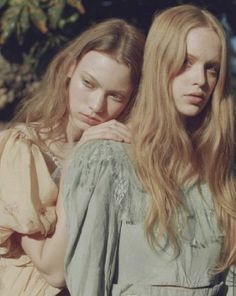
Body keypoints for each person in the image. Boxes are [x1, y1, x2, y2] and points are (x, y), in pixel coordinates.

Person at [62, 4, 236, 296]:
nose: (200, 80)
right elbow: (87, 284)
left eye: (211, 68)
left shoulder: (221, 172)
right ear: (159, 62)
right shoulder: (108, 159)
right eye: (185, 62)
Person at [0, 18, 145, 296]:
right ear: (70, 68)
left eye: (115, 96)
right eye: (88, 84)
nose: (96, 105)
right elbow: (54, 270)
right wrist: (76, 166)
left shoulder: (121, 154)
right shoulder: (22, 151)